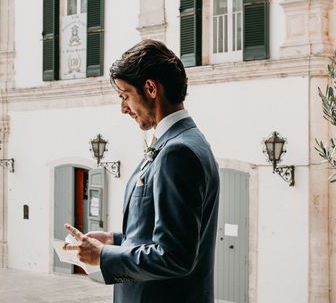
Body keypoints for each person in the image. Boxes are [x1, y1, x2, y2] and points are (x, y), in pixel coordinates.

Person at [63, 39, 220, 302]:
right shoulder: (183, 141)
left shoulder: (177, 152)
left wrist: (103, 255)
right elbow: (169, 231)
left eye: (125, 95)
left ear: (150, 88)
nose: (123, 108)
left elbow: (175, 255)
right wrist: (114, 239)